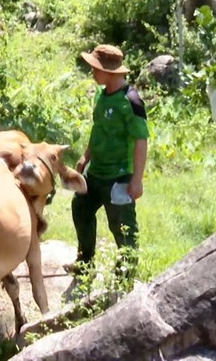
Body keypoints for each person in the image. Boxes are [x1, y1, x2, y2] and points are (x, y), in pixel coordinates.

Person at [68, 44, 149, 278]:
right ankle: (85, 263)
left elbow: (141, 141)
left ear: (110, 71)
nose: (92, 72)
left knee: (122, 226)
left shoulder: (131, 101)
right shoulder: (103, 96)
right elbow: (98, 129)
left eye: (95, 68)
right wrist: (86, 156)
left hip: (119, 177)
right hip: (96, 173)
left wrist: (137, 180)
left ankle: (126, 274)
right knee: (80, 207)